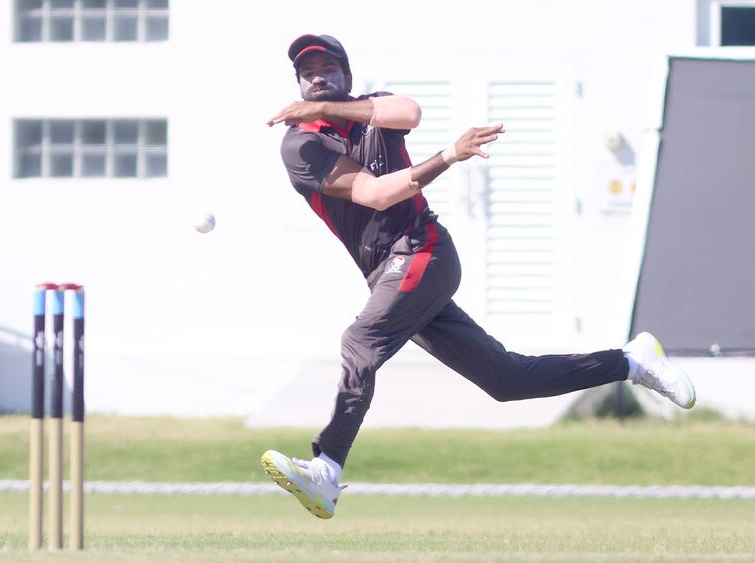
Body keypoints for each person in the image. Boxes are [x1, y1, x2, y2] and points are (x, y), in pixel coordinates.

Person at [260, 34, 696, 519]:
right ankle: (632, 362)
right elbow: (375, 192)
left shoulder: (375, 108)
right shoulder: (301, 145)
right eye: (308, 72)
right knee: (506, 378)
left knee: (359, 341)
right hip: (388, 270)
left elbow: (409, 112)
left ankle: (326, 469)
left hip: (422, 251)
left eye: (329, 68)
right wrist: (445, 155)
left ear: (347, 75)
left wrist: (439, 151)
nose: (319, 76)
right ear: (297, 84)